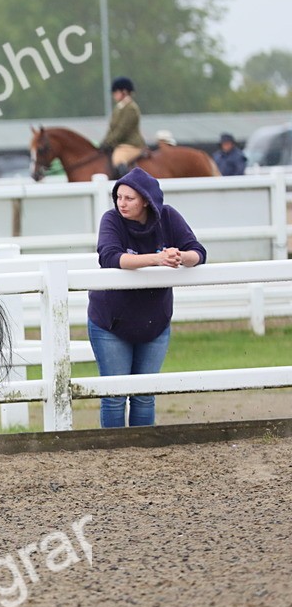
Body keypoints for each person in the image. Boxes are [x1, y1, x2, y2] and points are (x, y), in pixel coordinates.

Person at [87, 168, 207, 428]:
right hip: (111, 322)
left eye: (129, 198)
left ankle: (143, 451)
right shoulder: (111, 220)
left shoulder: (168, 217)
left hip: (155, 321)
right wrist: (157, 258)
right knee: (114, 396)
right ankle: (113, 454)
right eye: (118, 197)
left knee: (145, 395)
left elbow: (198, 251)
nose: (121, 203)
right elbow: (110, 257)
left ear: (145, 200)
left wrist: (180, 256)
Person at [101, 76, 146, 179]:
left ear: (124, 91)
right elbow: (112, 128)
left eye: (116, 92)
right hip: (120, 144)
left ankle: (128, 184)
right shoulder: (119, 107)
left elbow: (122, 130)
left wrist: (109, 142)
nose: (114, 95)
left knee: (118, 159)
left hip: (131, 145)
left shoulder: (131, 108)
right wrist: (104, 142)